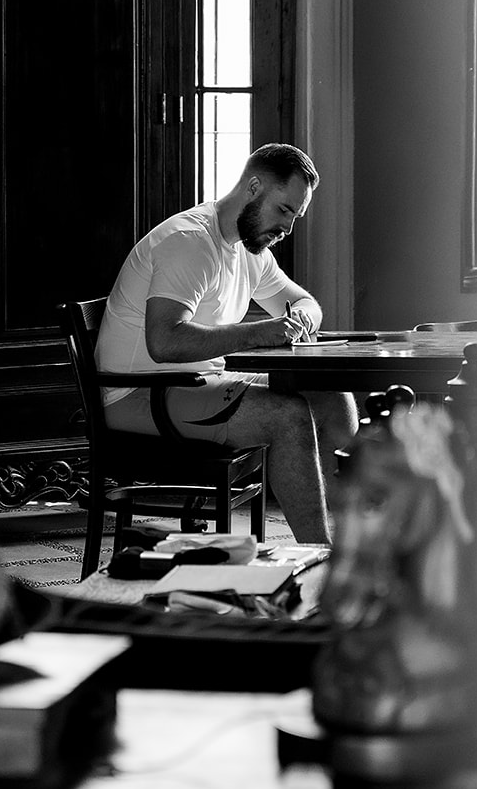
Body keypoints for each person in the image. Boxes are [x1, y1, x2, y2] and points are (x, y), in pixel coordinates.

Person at [96, 144, 359, 543]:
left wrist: (303, 319)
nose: (287, 228)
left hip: (194, 385)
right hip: (139, 393)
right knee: (286, 416)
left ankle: (353, 544)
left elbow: (305, 302)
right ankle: (321, 558)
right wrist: (258, 332)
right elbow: (164, 342)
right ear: (253, 187)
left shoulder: (249, 249)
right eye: (284, 210)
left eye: (295, 216)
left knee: (331, 395)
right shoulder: (189, 241)